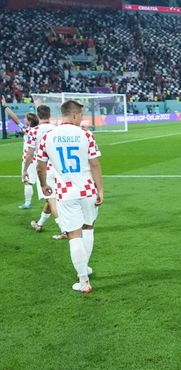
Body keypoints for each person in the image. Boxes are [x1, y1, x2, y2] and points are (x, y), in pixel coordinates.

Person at [36, 100, 104, 294]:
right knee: (88, 227)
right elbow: (95, 165)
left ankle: (83, 280)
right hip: (87, 190)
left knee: (74, 234)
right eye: (81, 115)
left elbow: (40, 166)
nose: (82, 118)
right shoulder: (86, 134)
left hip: (65, 192)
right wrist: (101, 190)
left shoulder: (48, 136)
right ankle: (85, 268)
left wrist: (43, 184)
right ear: (74, 115)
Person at [23, 105, 65, 238]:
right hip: (59, 167)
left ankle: (64, 230)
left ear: (38, 115)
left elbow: (29, 154)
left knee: (51, 198)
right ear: (49, 115)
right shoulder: (57, 129)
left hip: (44, 168)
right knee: (50, 198)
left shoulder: (34, 131)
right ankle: (39, 224)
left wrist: (25, 170)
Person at [3, 95, 38, 209]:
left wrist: (6, 107)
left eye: (26, 119)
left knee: (27, 181)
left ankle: (27, 203)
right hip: (41, 158)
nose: (24, 120)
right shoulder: (40, 130)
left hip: (29, 159)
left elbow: (15, 119)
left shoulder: (27, 130)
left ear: (29, 122)